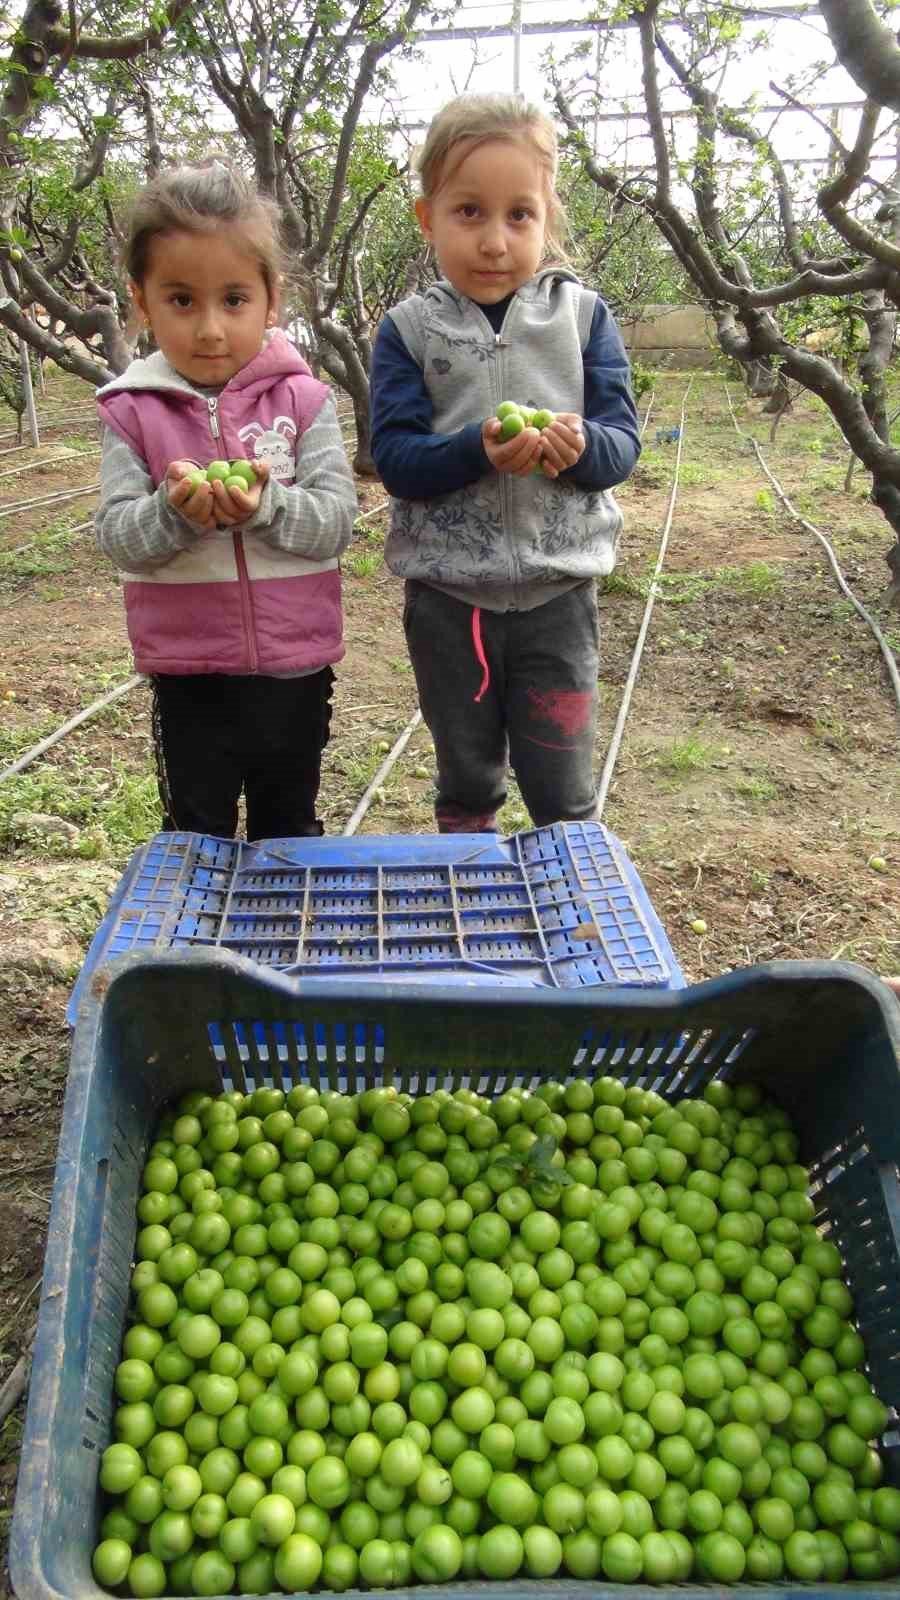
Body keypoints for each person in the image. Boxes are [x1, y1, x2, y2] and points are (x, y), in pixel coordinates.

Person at [370, 93, 640, 834]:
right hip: (449, 605)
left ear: (547, 218)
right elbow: (394, 458)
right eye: (469, 213)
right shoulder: (409, 331)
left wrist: (581, 450)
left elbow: (622, 444)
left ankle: (570, 914)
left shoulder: (583, 318)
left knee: (563, 786)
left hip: (559, 598)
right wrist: (474, 450)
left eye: (519, 215)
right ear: (428, 218)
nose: (495, 241)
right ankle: (469, 887)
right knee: (465, 776)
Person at [95, 163, 357, 841]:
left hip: (295, 668)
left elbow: (335, 523)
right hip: (188, 675)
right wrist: (173, 513)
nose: (211, 329)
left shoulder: (303, 402)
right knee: (198, 833)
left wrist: (267, 507)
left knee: (289, 829)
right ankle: (203, 950)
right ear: (141, 301)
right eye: (182, 300)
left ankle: (283, 946)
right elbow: (119, 536)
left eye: (234, 299)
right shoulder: (130, 412)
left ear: (273, 301)